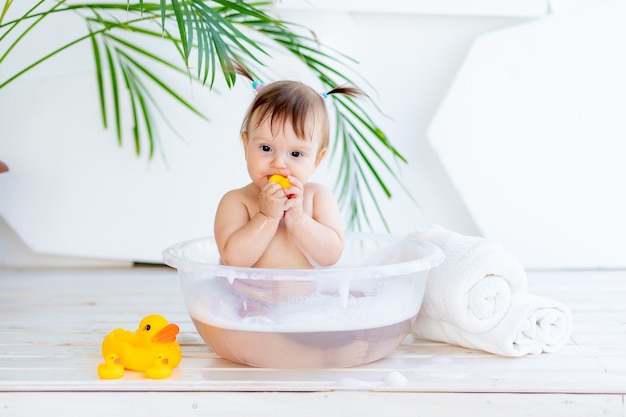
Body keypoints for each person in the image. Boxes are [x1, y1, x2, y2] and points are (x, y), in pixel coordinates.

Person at [214, 69, 363, 270]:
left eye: (295, 154)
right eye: (266, 148)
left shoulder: (317, 198)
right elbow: (233, 259)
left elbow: (331, 256)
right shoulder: (237, 202)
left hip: (304, 302)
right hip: (247, 301)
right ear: (246, 145)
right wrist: (266, 216)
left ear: (317, 160)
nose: (278, 164)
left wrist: (299, 219)